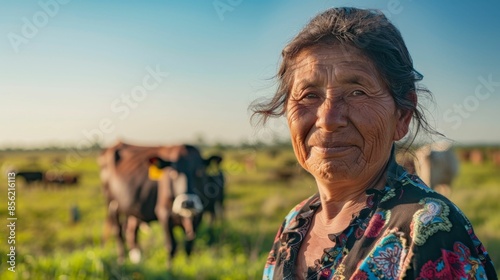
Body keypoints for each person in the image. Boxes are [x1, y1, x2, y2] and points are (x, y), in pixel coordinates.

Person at [251, 7, 498, 280]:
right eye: (309, 95)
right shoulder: (295, 222)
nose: (328, 119)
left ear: (402, 116)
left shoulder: (430, 230)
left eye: (357, 92)